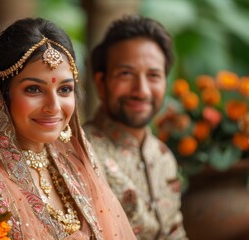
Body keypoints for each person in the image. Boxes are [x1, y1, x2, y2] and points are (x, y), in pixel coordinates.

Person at [0, 17, 136, 240]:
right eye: (33, 89)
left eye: (65, 89)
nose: (54, 107)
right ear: (1, 96)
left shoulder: (74, 169)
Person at [83, 14, 188, 239]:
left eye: (153, 75)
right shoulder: (81, 153)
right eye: (126, 74)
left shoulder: (163, 156)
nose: (142, 90)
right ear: (101, 83)